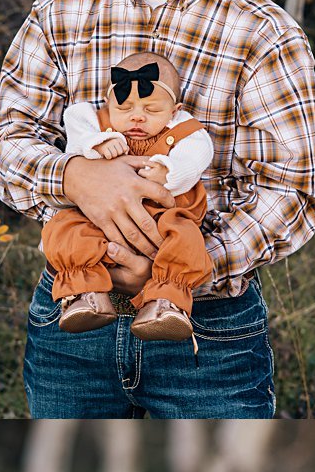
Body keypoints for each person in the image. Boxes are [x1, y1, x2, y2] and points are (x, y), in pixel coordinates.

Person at [0, 0, 315, 419]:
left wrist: (182, 266)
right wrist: (74, 175)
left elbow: (292, 193)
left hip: (209, 338)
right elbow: (4, 142)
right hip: (70, 324)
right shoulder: (59, 14)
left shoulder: (266, 34)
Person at [41, 50, 213, 338]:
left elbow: (199, 153)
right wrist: (95, 144)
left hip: (164, 215)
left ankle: (166, 301)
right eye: (125, 108)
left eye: (152, 110)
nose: (137, 117)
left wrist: (170, 171)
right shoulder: (96, 121)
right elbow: (75, 118)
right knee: (65, 228)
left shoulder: (185, 129)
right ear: (109, 104)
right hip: (97, 216)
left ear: (174, 110)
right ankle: (85, 293)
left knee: (186, 240)